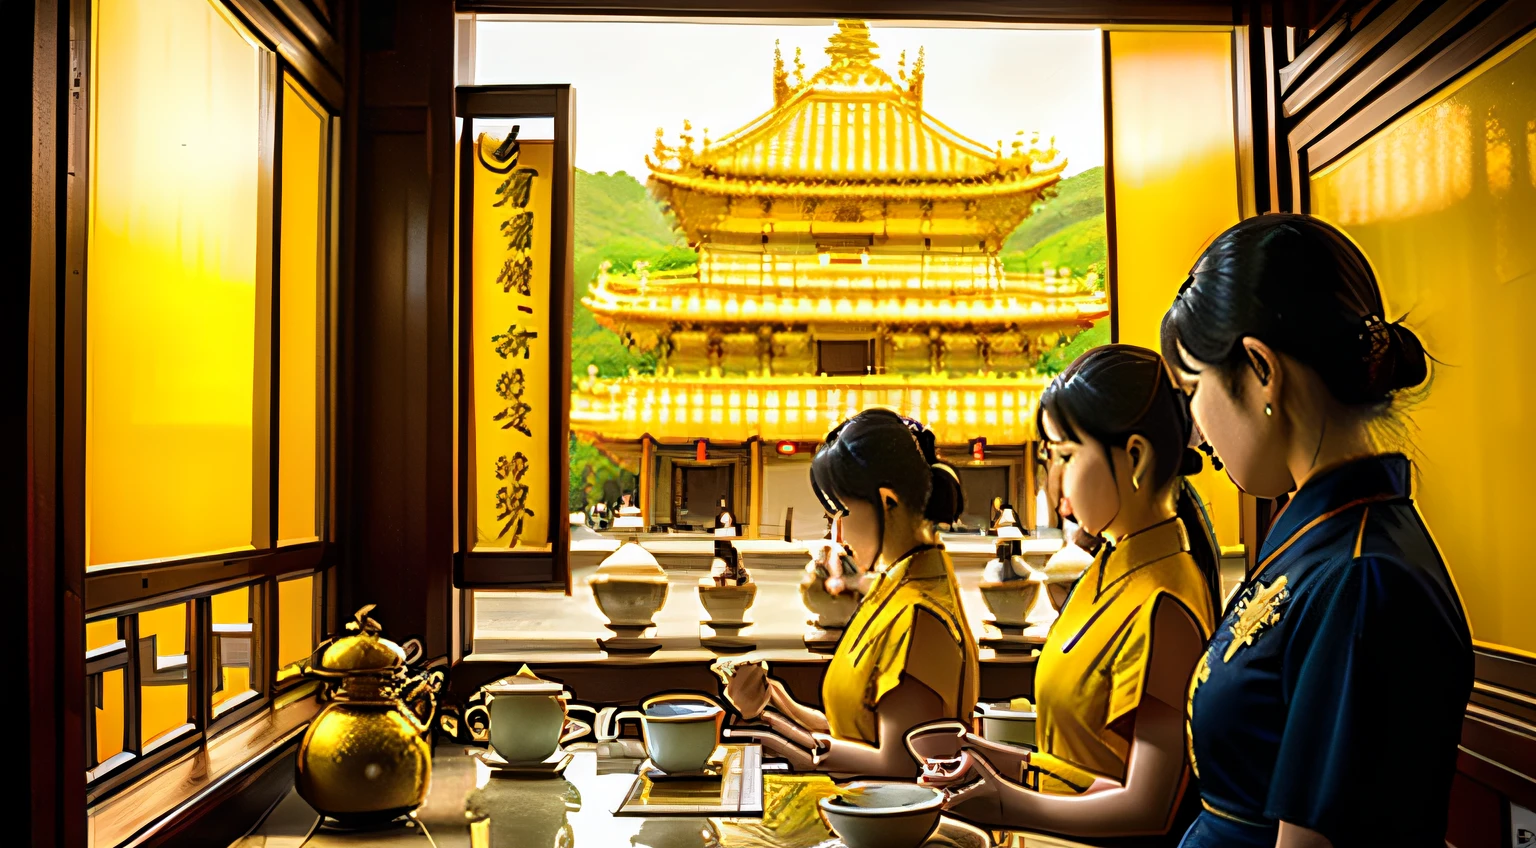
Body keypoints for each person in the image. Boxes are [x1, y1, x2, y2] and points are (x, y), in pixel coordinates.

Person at [1161, 214, 1472, 847]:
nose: (1196, 432)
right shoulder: (1324, 544)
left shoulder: (1359, 578)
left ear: (1259, 369)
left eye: (1194, 389)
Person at [911, 344, 1220, 842]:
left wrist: (1008, 802)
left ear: (1135, 458)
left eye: (1066, 457)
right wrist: (985, 755)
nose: (1054, 483)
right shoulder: (1106, 572)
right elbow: (1080, 764)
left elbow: (1148, 808)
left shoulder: (1164, 602)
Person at [718, 409, 979, 778]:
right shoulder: (894, 590)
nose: (837, 530)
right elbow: (858, 730)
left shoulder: (919, 614)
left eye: (842, 510)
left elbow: (904, 766)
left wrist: (777, 734)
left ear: (887, 503)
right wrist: (774, 702)